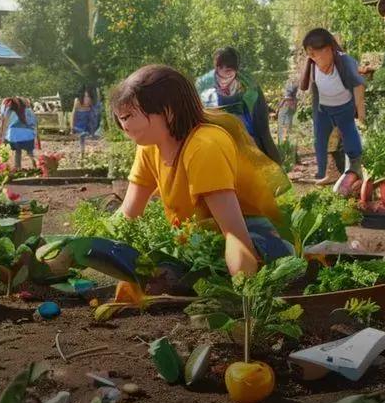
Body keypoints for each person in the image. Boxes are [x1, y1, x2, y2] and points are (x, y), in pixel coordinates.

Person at [114, 65, 293, 278]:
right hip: (200, 240)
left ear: (168, 110)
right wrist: (79, 247)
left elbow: (236, 236)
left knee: (177, 273)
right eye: (121, 117)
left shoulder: (204, 146)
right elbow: (129, 213)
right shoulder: (149, 146)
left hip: (254, 239)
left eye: (128, 116)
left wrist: (244, 290)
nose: (123, 124)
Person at [298, 28, 366, 197]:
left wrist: (361, 114)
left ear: (328, 49)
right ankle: (335, 173)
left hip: (345, 109)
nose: (313, 58)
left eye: (315, 54)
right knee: (327, 142)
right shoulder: (313, 67)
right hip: (326, 111)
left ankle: (357, 176)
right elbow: (314, 91)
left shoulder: (344, 62)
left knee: (350, 141)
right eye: (310, 55)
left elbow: (358, 87)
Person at [196, 47, 281, 164]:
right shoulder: (203, 84)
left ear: (236, 70)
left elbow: (261, 124)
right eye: (220, 69)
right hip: (218, 136)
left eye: (228, 71)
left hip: (246, 136)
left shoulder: (250, 87)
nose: (223, 75)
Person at [0, 97, 38, 170]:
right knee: (30, 152)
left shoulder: (10, 111)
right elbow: (34, 122)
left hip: (14, 135)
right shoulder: (28, 111)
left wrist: (3, 136)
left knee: (18, 152)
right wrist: (35, 135)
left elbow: (4, 124)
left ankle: (18, 168)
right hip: (28, 134)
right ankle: (36, 165)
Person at [72, 85, 101, 157]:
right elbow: (73, 115)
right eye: (85, 96)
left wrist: (98, 92)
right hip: (78, 127)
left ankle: (85, 152)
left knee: (97, 109)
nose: (87, 98)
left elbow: (97, 106)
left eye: (88, 96)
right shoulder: (77, 102)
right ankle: (82, 153)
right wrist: (71, 127)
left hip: (88, 127)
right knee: (82, 135)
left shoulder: (91, 103)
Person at [277, 79, 298, 144]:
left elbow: (287, 97)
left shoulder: (291, 89)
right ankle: (286, 138)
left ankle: (285, 139)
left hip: (288, 106)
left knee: (285, 123)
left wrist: (281, 104)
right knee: (288, 122)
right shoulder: (293, 90)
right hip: (291, 106)